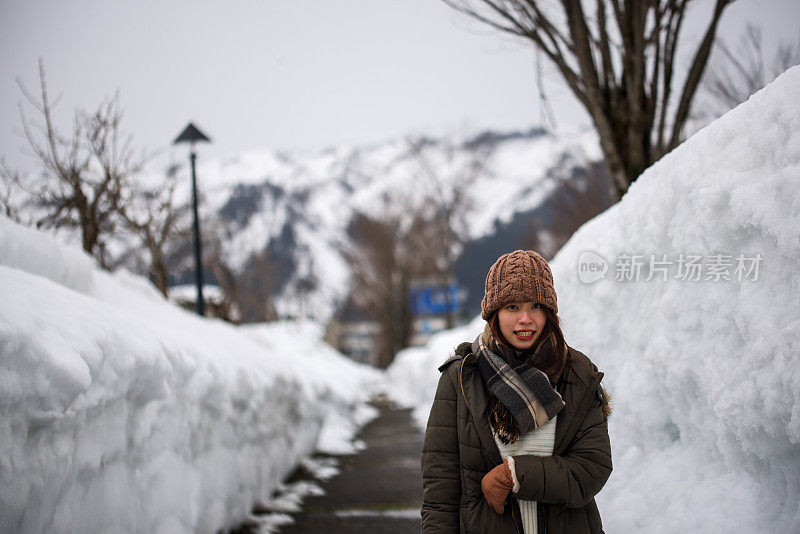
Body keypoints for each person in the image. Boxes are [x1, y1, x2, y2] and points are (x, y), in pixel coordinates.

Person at [421, 250, 612, 533]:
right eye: (512, 307)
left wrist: (515, 475)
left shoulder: (577, 375)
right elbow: (441, 491)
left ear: (549, 313)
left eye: (535, 306)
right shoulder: (461, 379)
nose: (525, 319)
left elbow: (591, 468)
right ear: (493, 314)